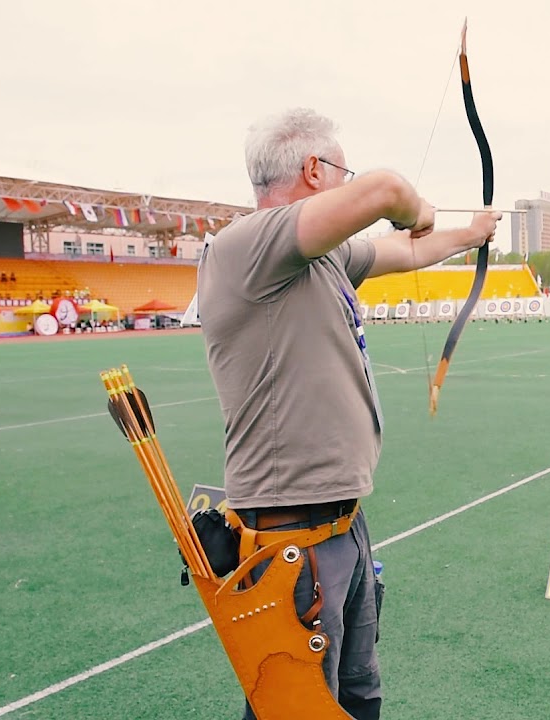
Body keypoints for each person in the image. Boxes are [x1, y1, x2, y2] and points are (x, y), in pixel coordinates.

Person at [196, 107, 500, 720]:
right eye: (341, 169)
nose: (345, 180)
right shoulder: (250, 245)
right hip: (288, 537)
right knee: (298, 708)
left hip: (342, 526)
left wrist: (470, 234)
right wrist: (418, 208)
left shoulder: (321, 258)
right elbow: (388, 193)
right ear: (314, 169)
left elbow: (404, 253)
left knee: (357, 696)